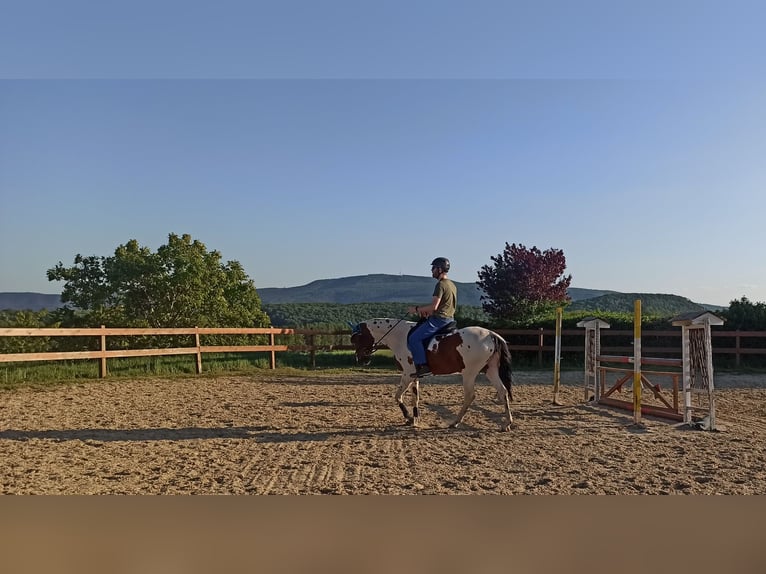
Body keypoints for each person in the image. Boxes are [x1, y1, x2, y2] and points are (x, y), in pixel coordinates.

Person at [406, 257, 457, 378]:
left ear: (439, 269)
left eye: (433, 268)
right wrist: (427, 313)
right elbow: (445, 306)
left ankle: (423, 366)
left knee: (413, 338)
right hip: (450, 319)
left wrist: (416, 309)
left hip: (439, 321)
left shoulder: (440, 285)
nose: (431, 270)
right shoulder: (452, 285)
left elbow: (434, 306)